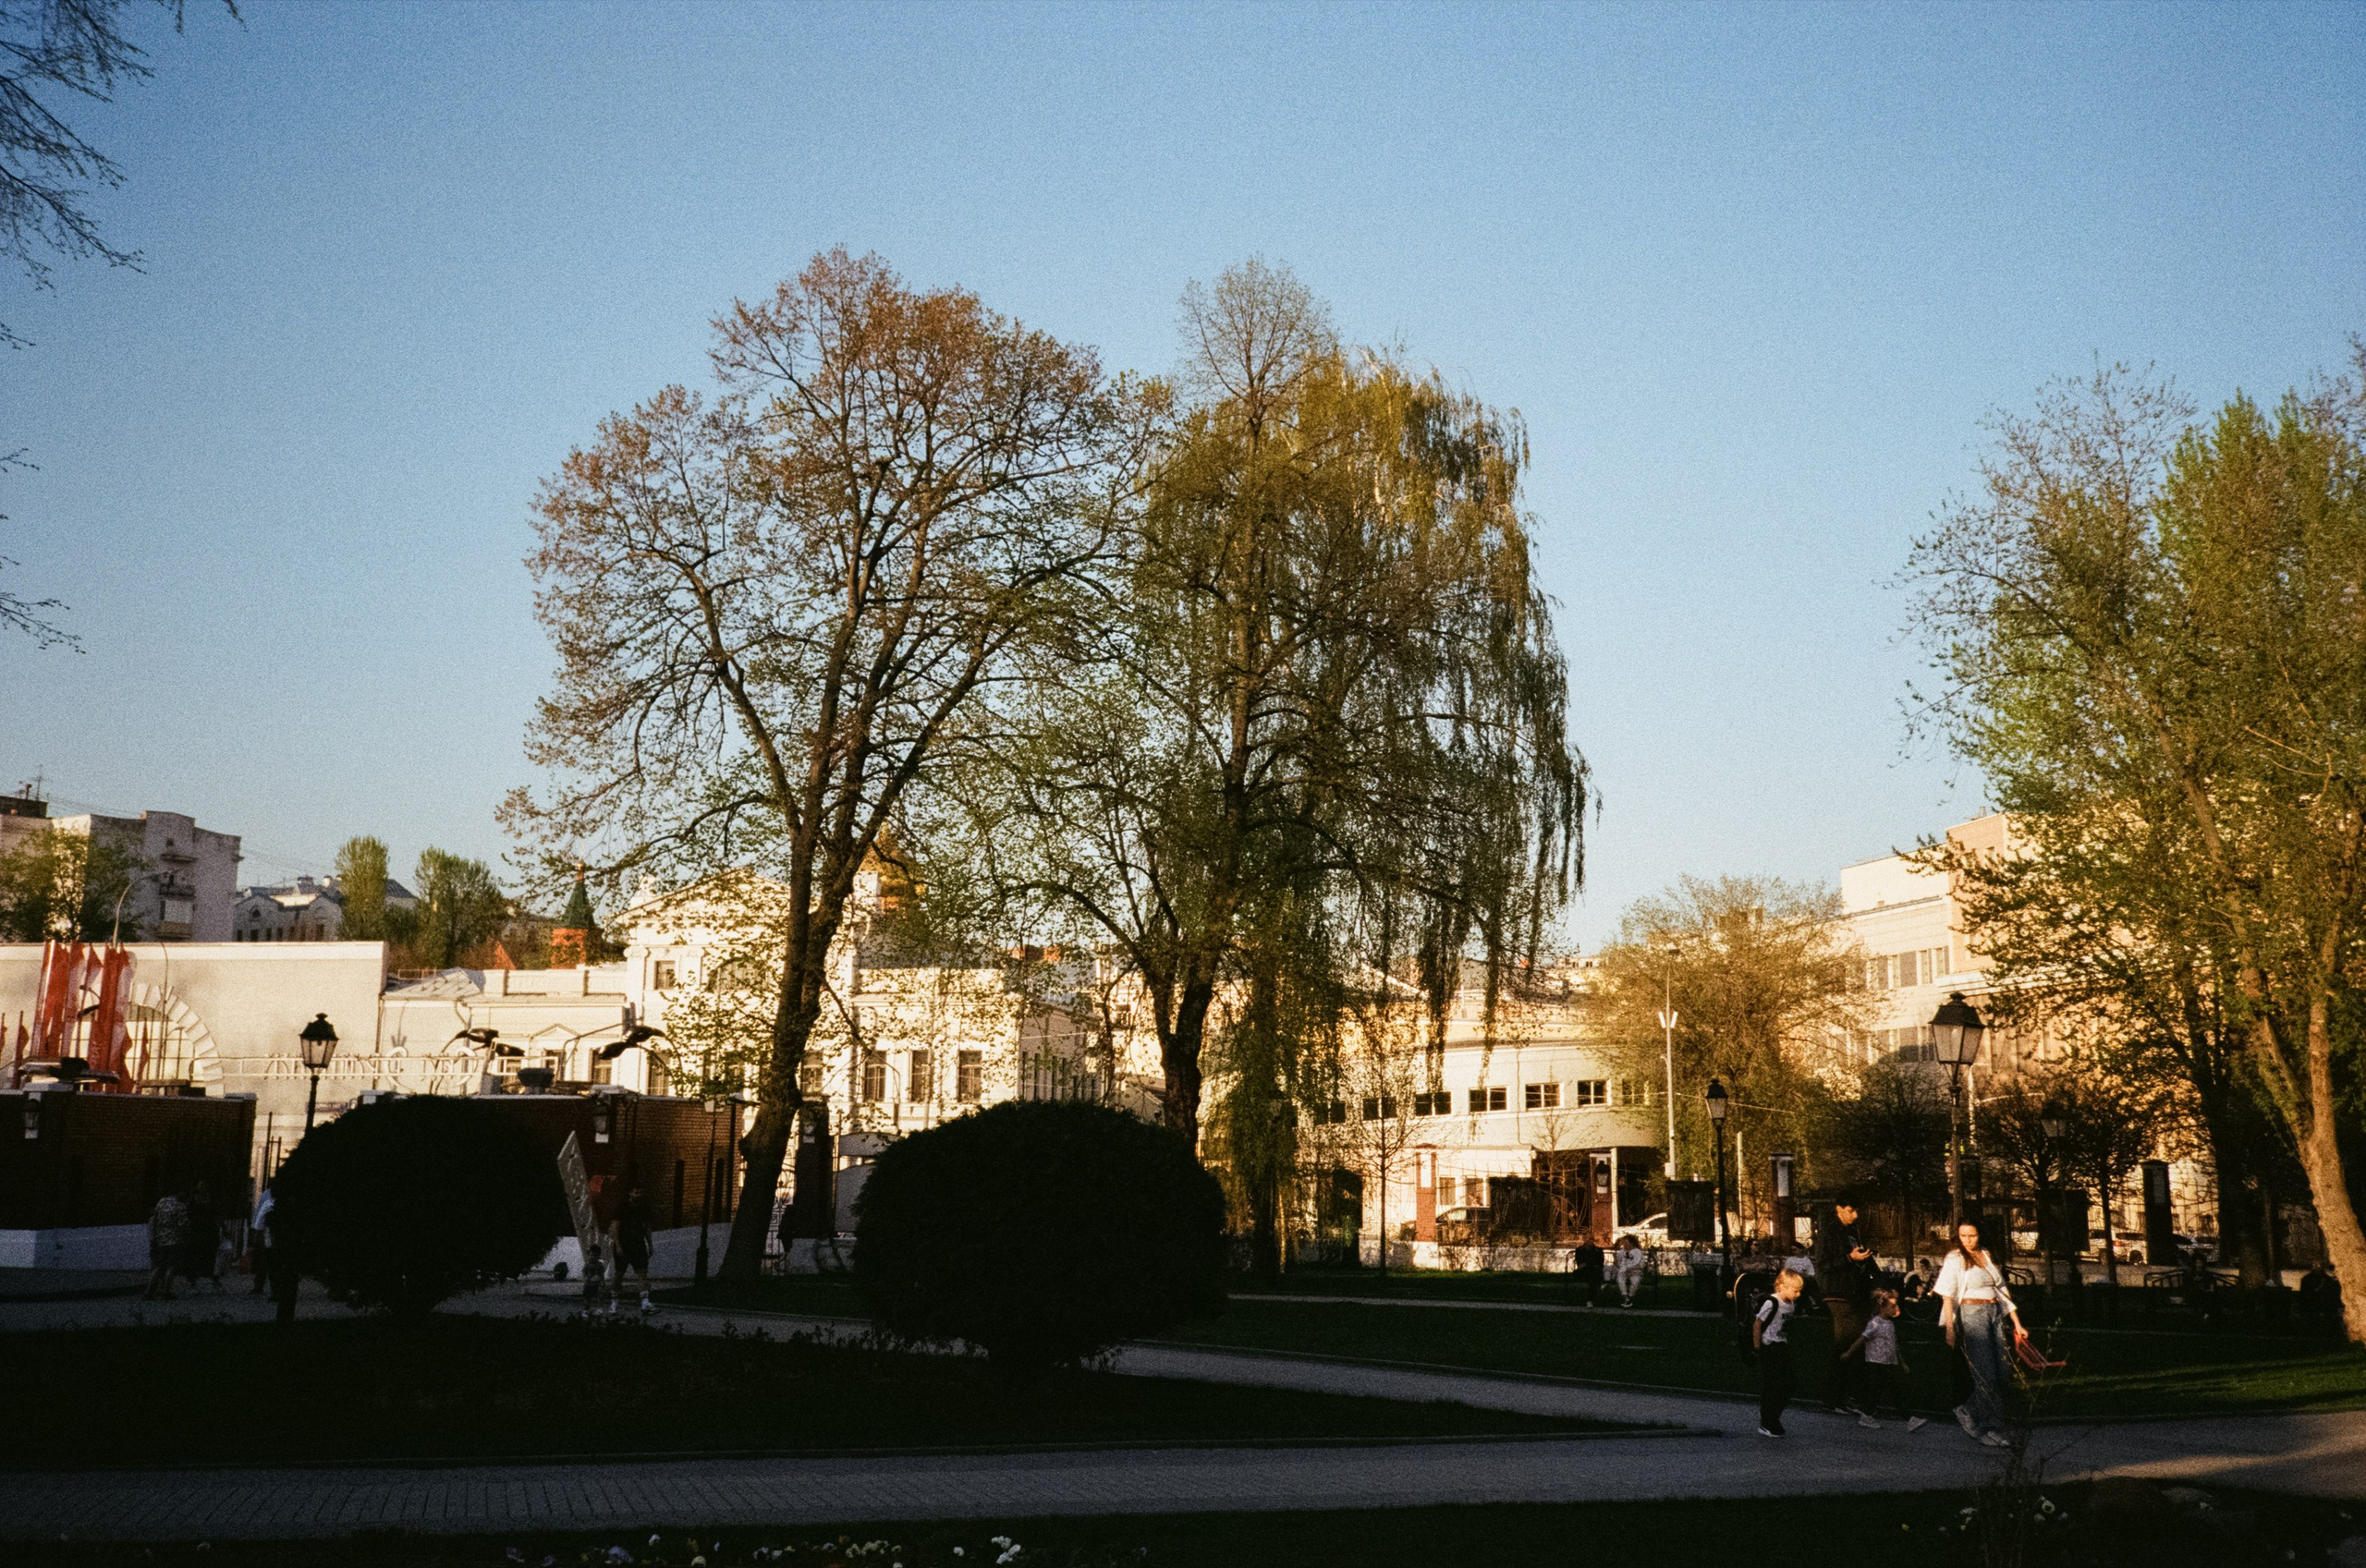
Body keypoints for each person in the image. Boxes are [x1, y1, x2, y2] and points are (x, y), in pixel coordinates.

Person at [1936, 1219, 2028, 1446]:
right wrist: (1950, 1328)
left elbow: (2001, 1290)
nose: (1967, 1240)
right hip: (1972, 1313)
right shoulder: (1955, 1258)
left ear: (1980, 1235)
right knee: (1985, 1372)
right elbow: (1947, 1294)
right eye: (1963, 1236)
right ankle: (1989, 1427)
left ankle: (1968, 1409)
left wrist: (2016, 1322)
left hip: (1994, 1312)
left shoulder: (1986, 1254)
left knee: (2003, 1372)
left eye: (1972, 1235)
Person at [1815, 1199, 1876, 1414]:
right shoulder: (1828, 1233)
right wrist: (1848, 1258)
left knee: (1853, 1344)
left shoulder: (1853, 1231)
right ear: (1839, 1210)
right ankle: (1835, 1398)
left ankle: (1845, 1395)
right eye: (1850, 1211)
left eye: (1856, 1210)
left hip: (1854, 1292)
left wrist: (1878, 1284)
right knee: (1846, 1343)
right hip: (1837, 1293)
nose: (1855, 1215)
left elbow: (1866, 1261)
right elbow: (1822, 1265)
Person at [1841, 1287, 1928, 1431]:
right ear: (1882, 1308)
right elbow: (1862, 1339)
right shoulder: (1875, 1323)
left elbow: (1894, 1344)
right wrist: (1849, 1352)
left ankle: (1869, 1414)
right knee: (1884, 1389)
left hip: (1888, 1362)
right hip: (1876, 1362)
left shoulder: (1890, 1324)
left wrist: (1902, 1362)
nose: (1896, 1308)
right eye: (1892, 1306)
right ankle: (1906, 1418)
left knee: (1884, 1390)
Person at [1753, 1267, 1805, 1437]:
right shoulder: (1772, 1302)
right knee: (1774, 1384)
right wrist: (1757, 1348)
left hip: (1782, 1345)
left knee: (1788, 1383)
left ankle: (1770, 1414)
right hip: (1770, 1346)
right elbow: (1757, 1324)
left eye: (1799, 1291)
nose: (1798, 1294)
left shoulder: (1790, 1304)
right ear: (1782, 1287)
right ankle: (1768, 1421)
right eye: (1795, 1290)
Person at [612, 1183, 655, 1315]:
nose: (639, 1195)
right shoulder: (623, 1206)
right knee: (619, 1274)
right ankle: (614, 1304)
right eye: (636, 1193)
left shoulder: (644, 1207)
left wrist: (650, 1244)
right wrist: (618, 1245)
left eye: (640, 1192)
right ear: (630, 1193)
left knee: (642, 1273)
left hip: (638, 1244)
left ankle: (645, 1303)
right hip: (625, 1244)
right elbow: (615, 1227)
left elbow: (647, 1227)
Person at [145, 1188, 189, 1300]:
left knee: (159, 1266)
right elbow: (183, 1225)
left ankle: (149, 1291)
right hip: (174, 1240)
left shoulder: (162, 1202)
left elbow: (155, 1219)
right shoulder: (180, 1206)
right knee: (171, 1266)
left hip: (161, 1239)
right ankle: (166, 1291)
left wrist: (155, 1236)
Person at [179, 1180, 222, 1293]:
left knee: (207, 1254)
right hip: (200, 1229)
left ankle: (204, 1277)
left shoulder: (206, 1199)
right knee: (197, 1254)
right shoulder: (197, 1199)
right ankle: (195, 1278)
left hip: (205, 1229)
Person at [248, 1183, 276, 1297]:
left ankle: (260, 1287)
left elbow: (259, 1214)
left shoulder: (267, 1196)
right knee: (269, 1262)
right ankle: (272, 1289)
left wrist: (256, 1231)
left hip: (267, 1234)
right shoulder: (270, 1199)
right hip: (270, 1235)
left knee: (264, 1262)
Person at [1612, 1233, 1648, 1307]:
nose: (1624, 1244)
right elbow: (1619, 1265)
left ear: (1631, 1243)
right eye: (1623, 1242)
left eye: (1626, 1242)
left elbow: (1639, 1264)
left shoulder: (1637, 1252)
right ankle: (1626, 1298)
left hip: (1635, 1271)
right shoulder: (1621, 1252)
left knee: (1635, 1281)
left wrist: (1631, 1269)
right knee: (1620, 1279)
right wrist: (1615, 1261)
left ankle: (1629, 1298)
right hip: (1624, 1272)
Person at [1570, 1230, 1606, 1305]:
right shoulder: (1579, 1250)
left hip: (1594, 1270)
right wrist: (1590, 1263)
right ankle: (1599, 1287)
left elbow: (1600, 1263)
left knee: (1592, 1276)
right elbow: (1580, 1263)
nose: (1591, 1241)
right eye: (1589, 1239)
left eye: (1592, 1239)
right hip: (1584, 1271)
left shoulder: (1598, 1250)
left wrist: (1588, 1263)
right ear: (1584, 1239)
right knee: (1592, 1274)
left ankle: (1589, 1300)